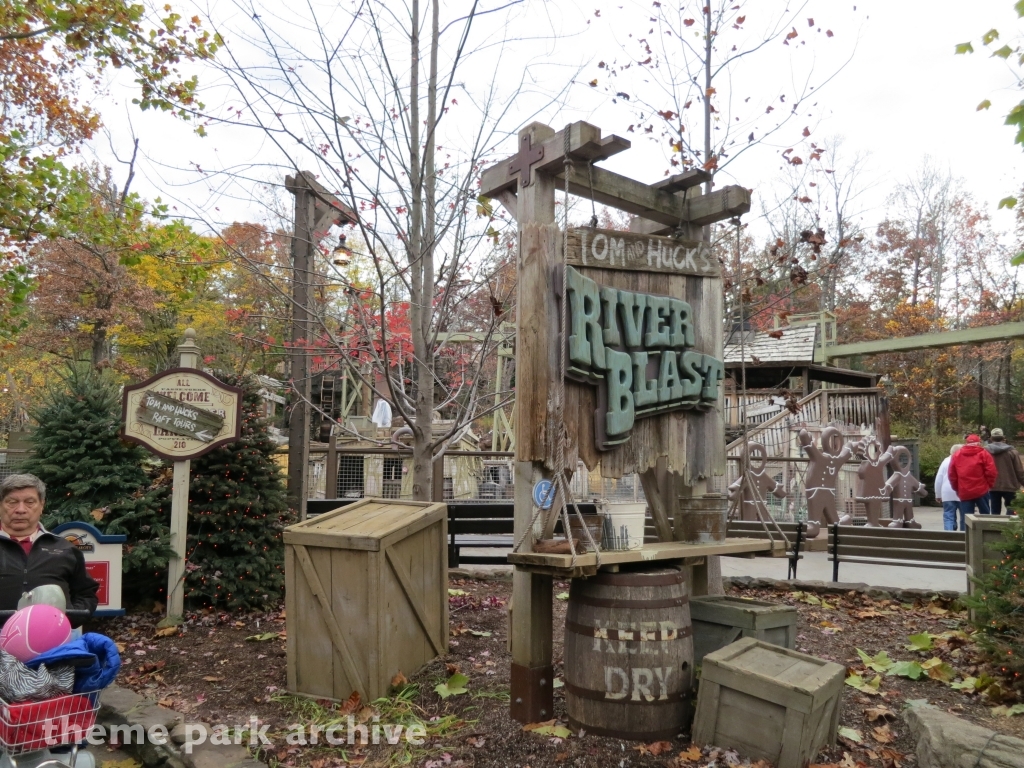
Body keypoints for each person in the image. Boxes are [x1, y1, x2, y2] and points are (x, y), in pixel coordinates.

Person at [0, 474, 98, 625]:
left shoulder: (65, 549)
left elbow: (86, 594)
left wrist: (66, 621)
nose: (20, 509)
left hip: (53, 643)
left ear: (41, 506)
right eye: (12, 502)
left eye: (29, 502)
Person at [949, 434, 997, 517]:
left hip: (965, 490)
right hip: (981, 489)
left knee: (966, 518)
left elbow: (952, 474)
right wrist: (989, 485)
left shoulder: (957, 455)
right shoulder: (984, 454)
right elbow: (991, 472)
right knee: (985, 516)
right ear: (978, 442)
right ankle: (985, 530)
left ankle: (966, 530)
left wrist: (957, 488)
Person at [985, 428, 1024, 516]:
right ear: (1003, 438)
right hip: (1010, 486)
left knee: (995, 511)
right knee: (1011, 510)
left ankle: (995, 528)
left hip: (993, 486)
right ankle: (1008, 528)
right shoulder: (1012, 452)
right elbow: (1019, 470)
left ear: (991, 438)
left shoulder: (985, 452)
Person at [935, 444, 963, 530]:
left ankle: (949, 534)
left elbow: (939, 479)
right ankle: (964, 535)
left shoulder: (945, 461)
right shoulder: (965, 462)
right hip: (962, 493)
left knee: (948, 515)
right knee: (964, 516)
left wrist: (938, 494)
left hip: (947, 493)